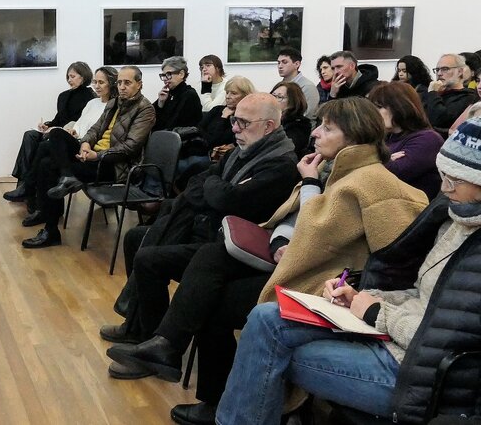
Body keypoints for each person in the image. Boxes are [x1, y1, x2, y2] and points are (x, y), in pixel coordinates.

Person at [106, 98, 427, 425]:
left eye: (327, 128)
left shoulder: (370, 181)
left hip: (325, 288)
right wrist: (282, 240)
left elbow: (390, 260)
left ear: (355, 135)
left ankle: (185, 365)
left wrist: (310, 187)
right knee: (210, 259)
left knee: (210, 296)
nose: (315, 133)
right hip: (295, 270)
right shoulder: (328, 168)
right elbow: (290, 220)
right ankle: (169, 348)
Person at [216, 118, 481, 425]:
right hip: (396, 335)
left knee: (270, 350)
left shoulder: (375, 185)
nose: (445, 188)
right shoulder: (455, 219)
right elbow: (425, 295)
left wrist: (376, 312)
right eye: (443, 177)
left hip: (420, 374)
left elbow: (449, 338)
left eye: (455, 181)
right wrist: (364, 296)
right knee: (266, 318)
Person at [100, 93, 300, 348]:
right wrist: (216, 188)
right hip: (206, 227)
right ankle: (139, 326)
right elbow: (197, 183)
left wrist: (215, 188)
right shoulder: (241, 152)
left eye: (243, 123)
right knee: (136, 237)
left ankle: (150, 337)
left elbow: (230, 200)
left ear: (269, 126)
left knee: (149, 258)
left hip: (226, 248)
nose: (235, 128)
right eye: (234, 121)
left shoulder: (280, 165)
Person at [21, 66, 155, 248]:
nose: (122, 86)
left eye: (127, 83)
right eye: (120, 82)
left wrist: (97, 155)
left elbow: (130, 147)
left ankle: (51, 229)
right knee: (57, 134)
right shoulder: (114, 103)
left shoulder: (145, 109)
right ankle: (67, 177)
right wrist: (85, 144)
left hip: (113, 166)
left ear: (139, 85)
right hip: (92, 156)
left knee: (47, 165)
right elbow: (95, 130)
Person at [18, 66, 117, 216]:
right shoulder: (91, 103)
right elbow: (78, 124)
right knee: (37, 144)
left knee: (50, 143)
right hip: (75, 139)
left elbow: (97, 133)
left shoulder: (110, 105)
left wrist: (71, 133)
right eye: (95, 82)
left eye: (101, 82)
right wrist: (68, 128)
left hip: (87, 149)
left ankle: (30, 186)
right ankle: (40, 206)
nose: (96, 85)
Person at [3, 62, 95, 202]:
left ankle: (28, 187)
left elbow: (83, 123)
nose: (69, 80)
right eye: (68, 77)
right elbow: (58, 119)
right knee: (30, 135)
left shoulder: (91, 98)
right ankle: (24, 184)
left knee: (44, 143)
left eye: (73, 76)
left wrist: (58, 129)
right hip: (57, 131)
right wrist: (47, 125)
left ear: (83, 77)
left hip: (70, 134)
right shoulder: (63, 96)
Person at [369, 82, 445, 198]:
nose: (373, 114)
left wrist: (380, 161)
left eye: (379, 107)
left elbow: (391, 175)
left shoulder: (427, 139)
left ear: (399, 107)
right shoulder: (387, 138)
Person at [177, 76, 256, 178]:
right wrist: (208, 136)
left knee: (190, 166)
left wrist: (223, 118)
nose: (228, 96)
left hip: (213, 157)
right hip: (196, 150)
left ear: (245, 96)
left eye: (234, 93)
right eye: (227, 92)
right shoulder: (217, 110)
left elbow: (214, 141)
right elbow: (198, 130)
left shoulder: (242, 119)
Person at [421, 53, 480, 133]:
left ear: (460, 72)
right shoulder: (434, 94)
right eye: (437, 70)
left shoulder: (468, 97)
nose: (439, 74)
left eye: (445, 69)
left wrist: (433, 93)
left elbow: (440, 120)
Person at [153, 56, 202, 131]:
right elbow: (151, 118)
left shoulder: (189, 95)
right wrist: (160, 103)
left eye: (168, 74)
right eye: (163, 75)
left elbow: (172, 123)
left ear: (181, 74)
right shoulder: (167, 94)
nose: (165, 79)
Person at [270, 81, 312, 157]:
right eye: (273, 96)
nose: (274, 100)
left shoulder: (300, 125)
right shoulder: (267, 119)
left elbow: (285, 148)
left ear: (292, 102)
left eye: (279, 97)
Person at [276, 47, 319, 120]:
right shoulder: (279, 86)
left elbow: (307, 115)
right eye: (278, 62)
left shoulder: (307, 87)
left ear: (297, 64)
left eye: (284, 62)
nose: (280, 66)